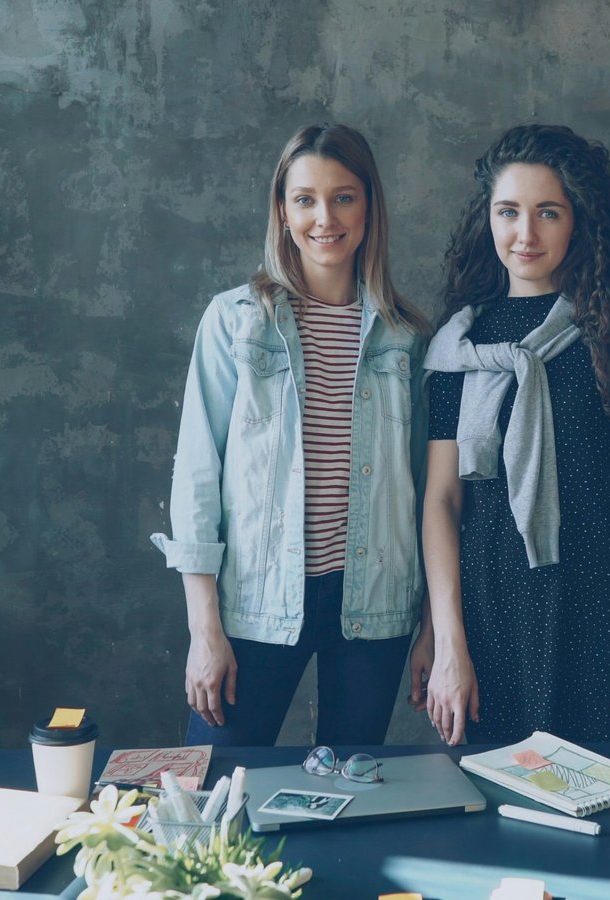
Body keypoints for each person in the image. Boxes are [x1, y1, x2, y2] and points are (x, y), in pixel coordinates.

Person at [151, 124, 432, 746]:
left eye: (344, 197)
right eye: (304, 198)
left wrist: (433, 624)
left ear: (369, 208)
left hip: (375, 607)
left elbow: (431, 493)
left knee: (350, 797)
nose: (324, 217)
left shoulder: (407, 338)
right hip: (254, 602)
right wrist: (205, 631)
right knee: (215, 806)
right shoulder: (237, 322)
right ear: (282, 209)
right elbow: (197, 474)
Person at [421, 124, 610, 746]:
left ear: (579, 222)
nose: (525, 234)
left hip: (605, 613)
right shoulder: (458, 347)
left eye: (548, 213)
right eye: (508, 212)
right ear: (487, 219)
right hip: (487, 618)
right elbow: (441, 502)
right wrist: (448, 643)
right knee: (491, 822)